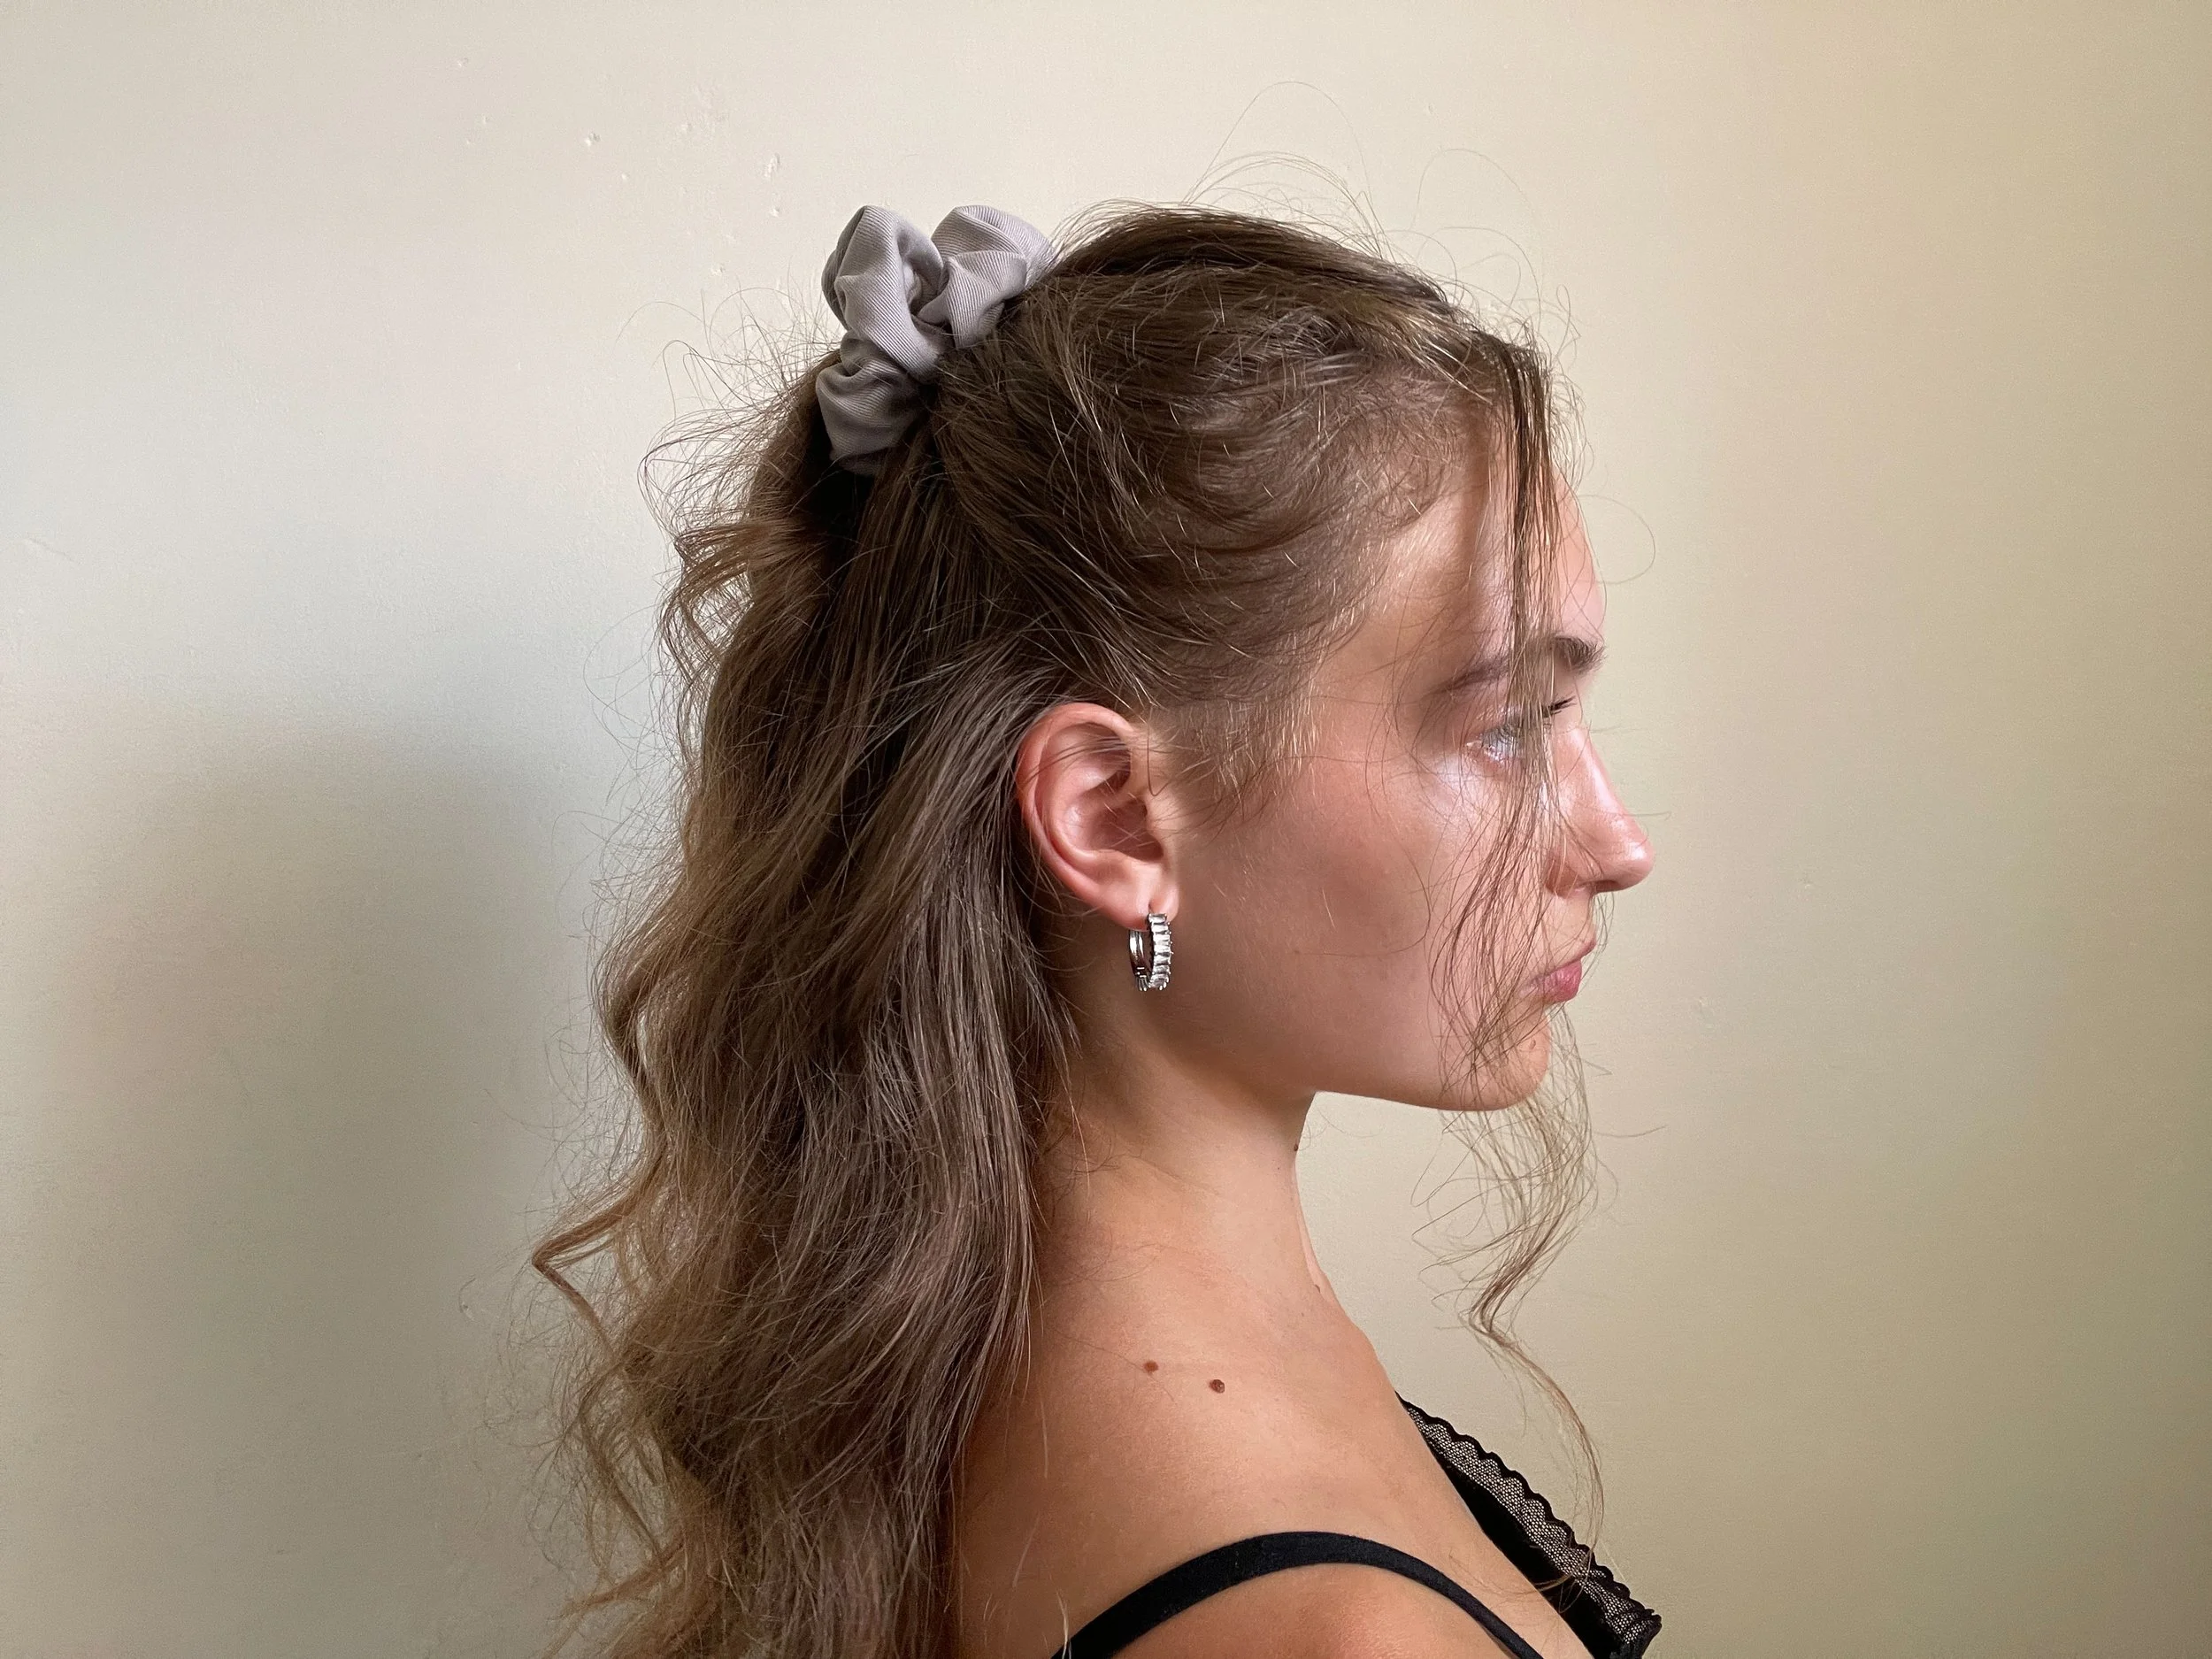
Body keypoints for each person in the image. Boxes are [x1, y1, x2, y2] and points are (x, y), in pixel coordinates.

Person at [534, 198, 1659, 1659]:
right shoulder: (1334, 1635)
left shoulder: (977, 1371)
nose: (1614, 844)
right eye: (1509, 725)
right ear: (1115, 819)